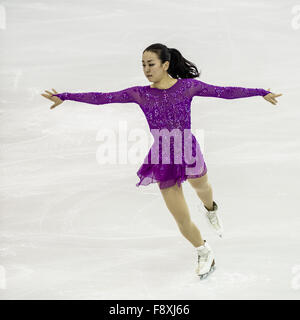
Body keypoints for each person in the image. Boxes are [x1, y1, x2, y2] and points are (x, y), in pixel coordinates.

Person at [41, 43, 282, 279]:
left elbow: (225, 92)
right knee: (181, 217)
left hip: (188, 150)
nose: (146, 69)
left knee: (203, 189)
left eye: (151, 64)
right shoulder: (140, 93)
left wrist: (261, 92)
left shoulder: (187, 87)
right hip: (163, 157)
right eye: (143, 64)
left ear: (165, 65)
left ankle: (211, 209)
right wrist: (66, 96)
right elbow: (103, 97)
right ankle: (203, 250)